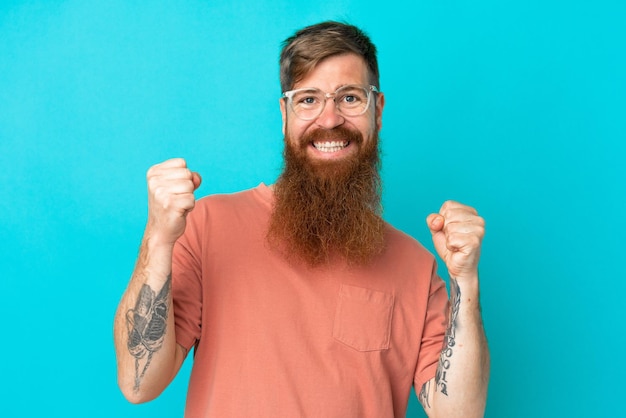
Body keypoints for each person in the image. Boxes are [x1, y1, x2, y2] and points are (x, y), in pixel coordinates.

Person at [114, 21, 489, 417]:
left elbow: (459, 414)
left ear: (377, 110)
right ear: (285, 112)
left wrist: (465, 281)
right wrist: (158, 238)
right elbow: (139, 384)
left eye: (349, 98)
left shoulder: (415, 266)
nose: (329, 120)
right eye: (308, 99)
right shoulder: (208, 227)